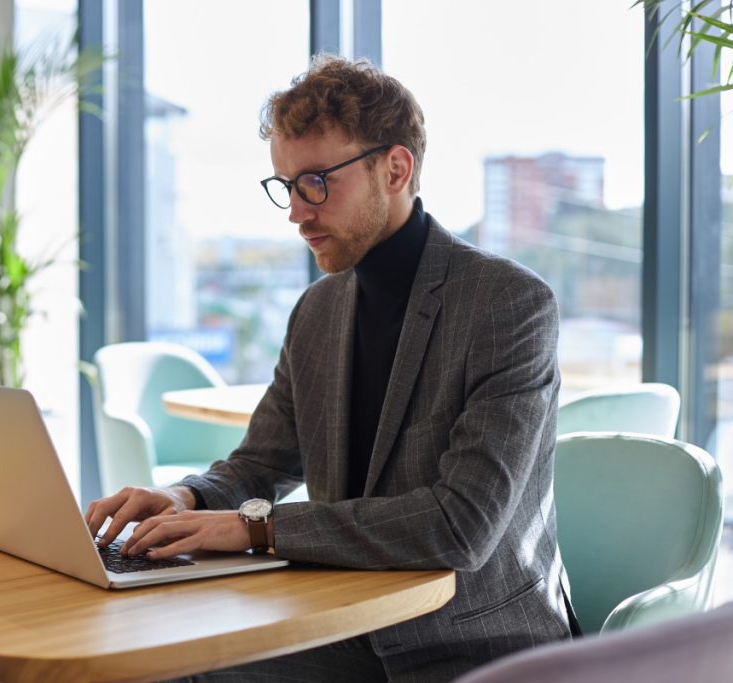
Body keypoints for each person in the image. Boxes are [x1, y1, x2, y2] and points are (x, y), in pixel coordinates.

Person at [85, 54, 577, 681]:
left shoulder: (507, 303)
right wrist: (184, 498)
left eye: (316, 181)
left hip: (474, 646)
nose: (296, 212)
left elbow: (461, 526)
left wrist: (253, 532)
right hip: (345, 621)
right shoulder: (318, 308)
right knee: (144, 654)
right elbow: (261, 464)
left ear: (395, 168)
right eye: (285, 186)